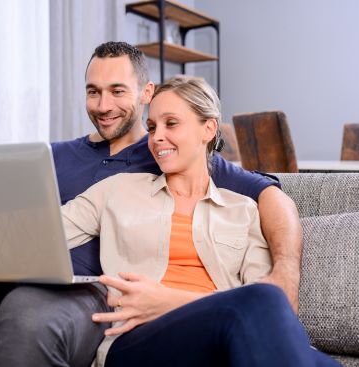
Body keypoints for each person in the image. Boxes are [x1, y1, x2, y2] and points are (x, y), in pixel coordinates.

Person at [0, 41, 302, 366]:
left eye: (117, 91)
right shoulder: (50, 157)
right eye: (93, 92)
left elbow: (270, 194)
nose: (103, 106)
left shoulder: (169, 156)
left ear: (145, 93)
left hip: (67, 297)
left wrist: (285, 270)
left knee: (28, 319)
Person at [59, 74, 340, 367]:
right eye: (152, 127)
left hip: (225, 341)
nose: (156, 138)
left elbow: (266, 301)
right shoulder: (118, 190)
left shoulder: (243, 210)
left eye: (171, 124)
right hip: (137, 341)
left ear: (208, 128)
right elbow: (45, 235)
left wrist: (167, 300)